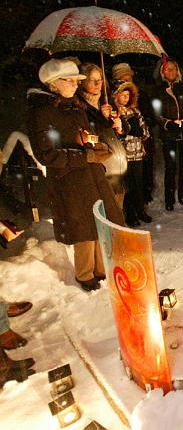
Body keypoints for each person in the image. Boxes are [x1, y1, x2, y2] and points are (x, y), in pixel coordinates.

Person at [26, 59, 124, 291]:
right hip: (70, 180)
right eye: (68, 81)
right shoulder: (41, 112)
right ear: (52, 83)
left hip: (91, 176)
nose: (74, 84)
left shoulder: (75, 106)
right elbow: (47, 155)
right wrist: (84, 156)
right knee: (83, 228)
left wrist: (94, 147)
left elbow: (83, 136)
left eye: (75, 80)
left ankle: (102, 268)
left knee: (102, 221)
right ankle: (85, 273)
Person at [78, 62, 128, 211]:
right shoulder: (80, 106)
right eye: (92, 80)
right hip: (102, 167)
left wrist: (120, 127)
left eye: (100, 79)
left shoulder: (106, 100)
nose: (98, 83)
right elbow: (89, 133)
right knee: (106, 211)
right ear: (82, 82)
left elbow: (125, 127)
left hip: (118, 167)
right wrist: (101, 117)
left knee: (118, 209)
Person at [112, 62, 156, 204]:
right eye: (122, 79)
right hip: (123, 152)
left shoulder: (140, 99)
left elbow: (146, 125)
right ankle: (130, 210)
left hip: (140, 148)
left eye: (128, 78)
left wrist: (140, 128)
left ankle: (142, 203)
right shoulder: (114, 107)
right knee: (127, 182)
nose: (126, 81)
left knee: (141, 177)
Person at [155, 57, 183, 211]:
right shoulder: (159, 89)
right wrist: (167, 123)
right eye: (167, 69)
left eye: (173, 68)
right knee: (170, 167)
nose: (170, 71)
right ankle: (169, 199)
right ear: (163, 71)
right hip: (168, 135)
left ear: (177, 70)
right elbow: (155, 113)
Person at [113, 81, 152, 227]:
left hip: (137, 154)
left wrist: (139, 132)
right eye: (122, 95)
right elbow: (117, 135)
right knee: (127, 186)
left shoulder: (135, 112)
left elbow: (145, 133)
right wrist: (126, 132)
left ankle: (140, 210)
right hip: (123, 155)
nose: (125, 98)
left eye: (128, 95)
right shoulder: (115, 113)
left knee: (138, 184)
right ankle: (130, 215)